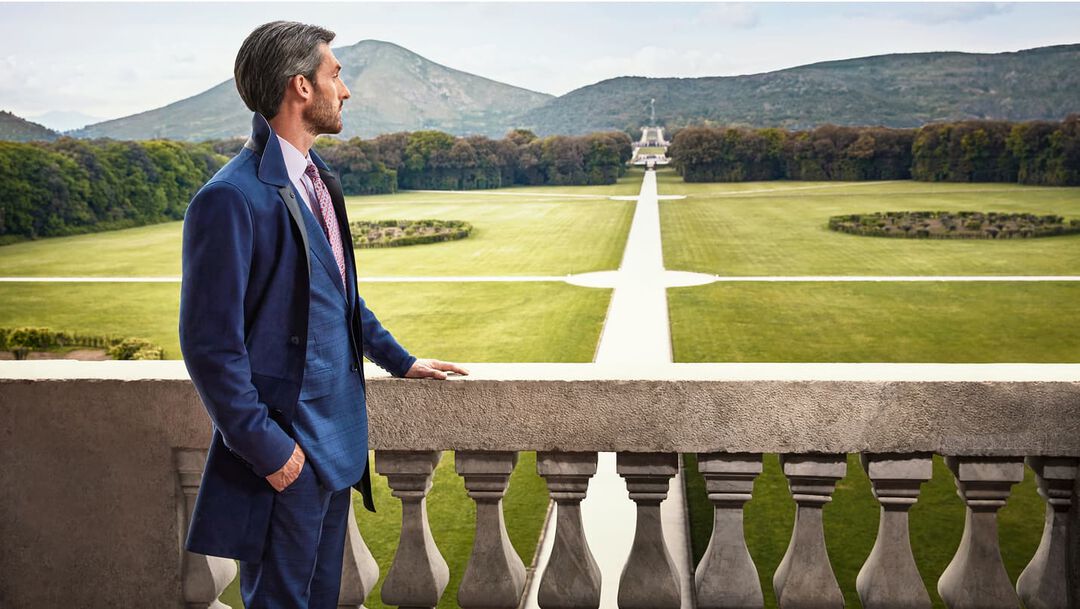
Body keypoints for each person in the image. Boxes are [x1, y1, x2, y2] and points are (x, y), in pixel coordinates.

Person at [178, 21, 467, 608]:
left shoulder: (318, 182)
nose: (347, 89)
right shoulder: (229, 198)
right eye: (336, 73)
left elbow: (337, 295)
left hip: (336, 445)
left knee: (321, 598)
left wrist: (399, 359)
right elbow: (210, 345)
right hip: (287, 451)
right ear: (300, 88)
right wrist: (268, 450)